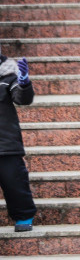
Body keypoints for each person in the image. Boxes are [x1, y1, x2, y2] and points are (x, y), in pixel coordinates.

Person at [0, 50, 36, 233]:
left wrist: (24, 84)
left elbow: (22, 99)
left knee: (14, 182)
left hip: (5, 145)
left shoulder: (7, 74)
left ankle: (23, 216)